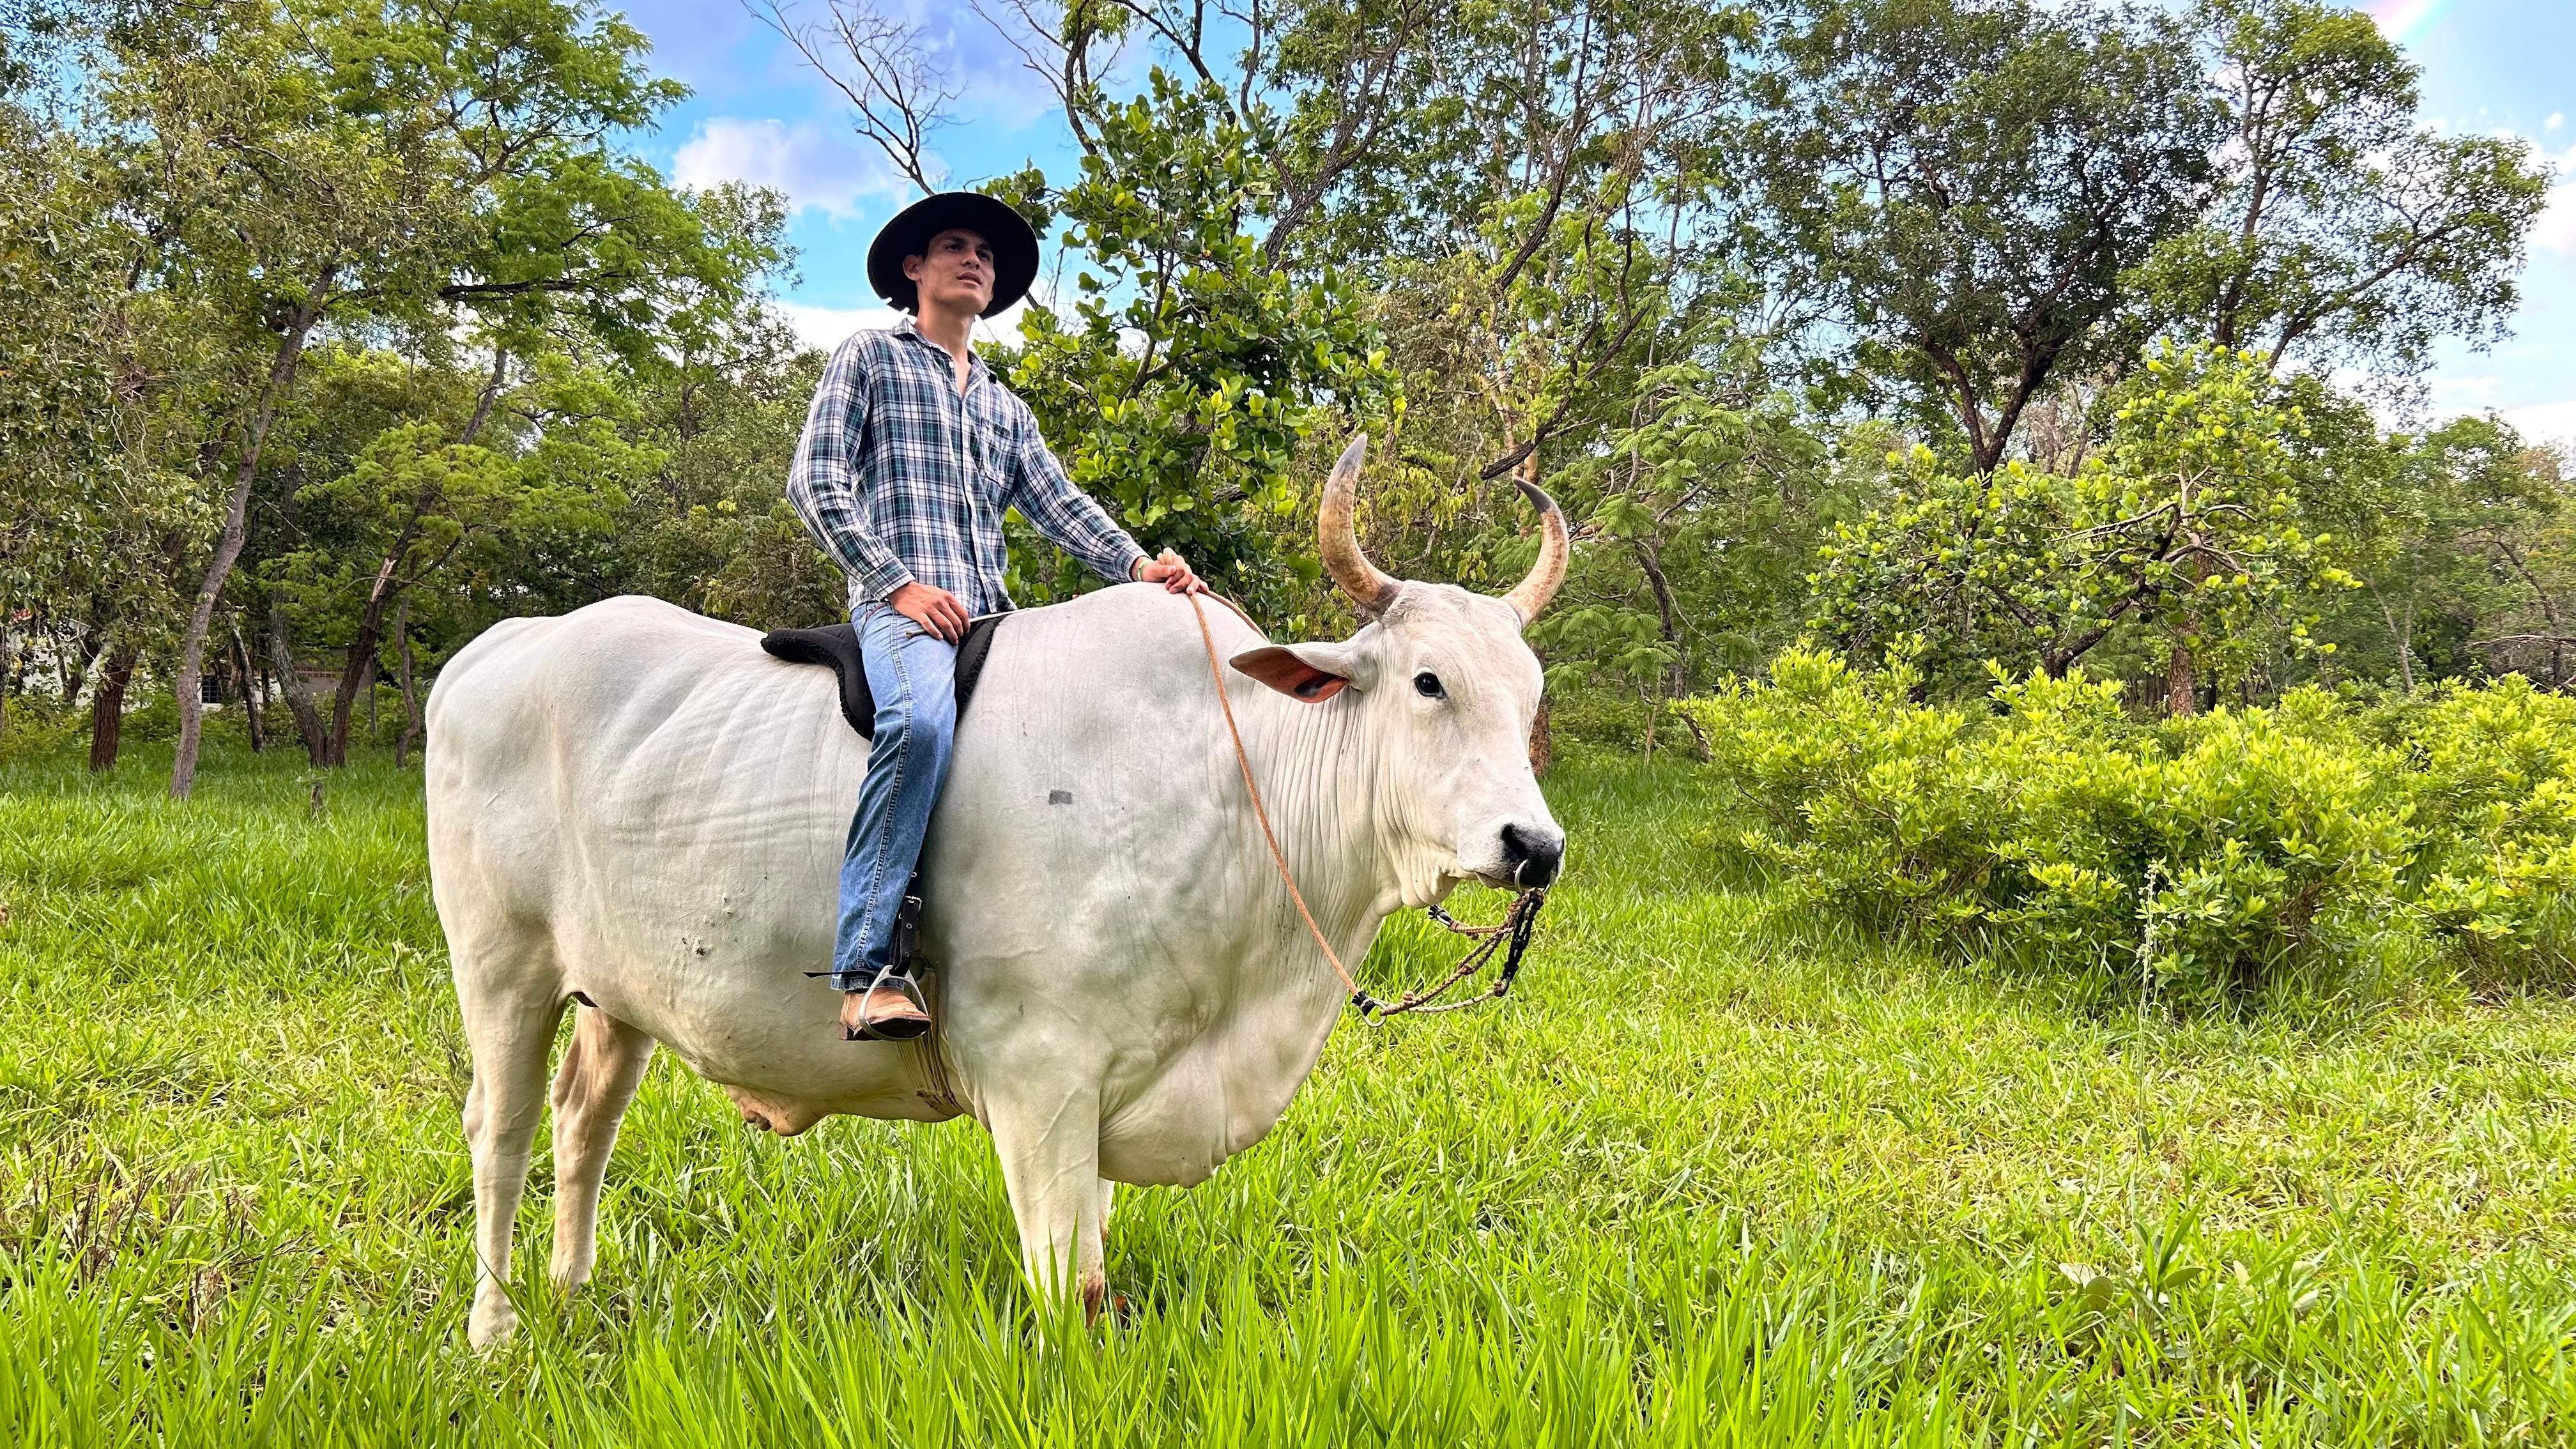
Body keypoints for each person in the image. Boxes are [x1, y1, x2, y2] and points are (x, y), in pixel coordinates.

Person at [788, 191, 1203, 1043]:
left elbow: (1061, 506)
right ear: (915, 269)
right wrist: (897, 584)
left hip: (992, 620)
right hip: (903, 612)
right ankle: (866, 972)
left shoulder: (1007, 409)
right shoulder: (870, 357)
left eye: (984, 251)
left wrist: (1140, 564)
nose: (974, 259)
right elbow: (816, 482)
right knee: (919, 726)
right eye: (953, 245)